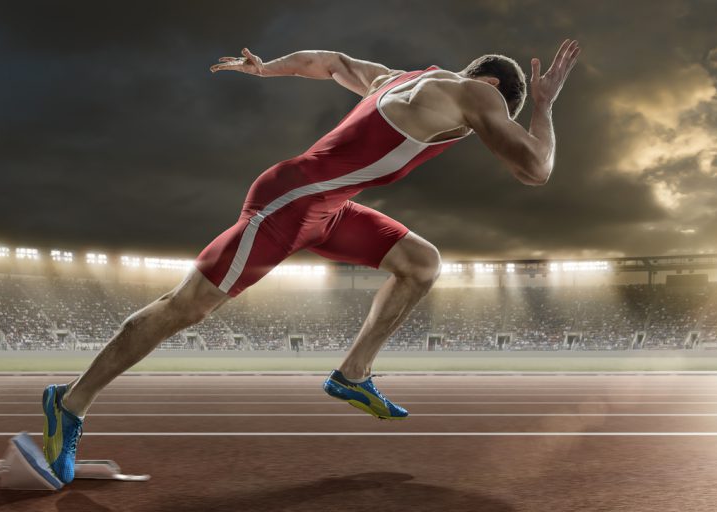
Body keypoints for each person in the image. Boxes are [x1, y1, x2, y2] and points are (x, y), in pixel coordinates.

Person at [42, 39, 581, 483]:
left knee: (420, 262)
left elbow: (329, 63)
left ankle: (352, 374)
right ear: (494, 91)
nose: (484, 130)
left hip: (325, 207)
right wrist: (542, 106)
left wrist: (265, 69)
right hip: (291, 202)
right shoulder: (476, 95)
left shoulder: (395, 78)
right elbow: (536, 169)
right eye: (497, 118)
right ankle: (69, 402)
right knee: (185, 308)